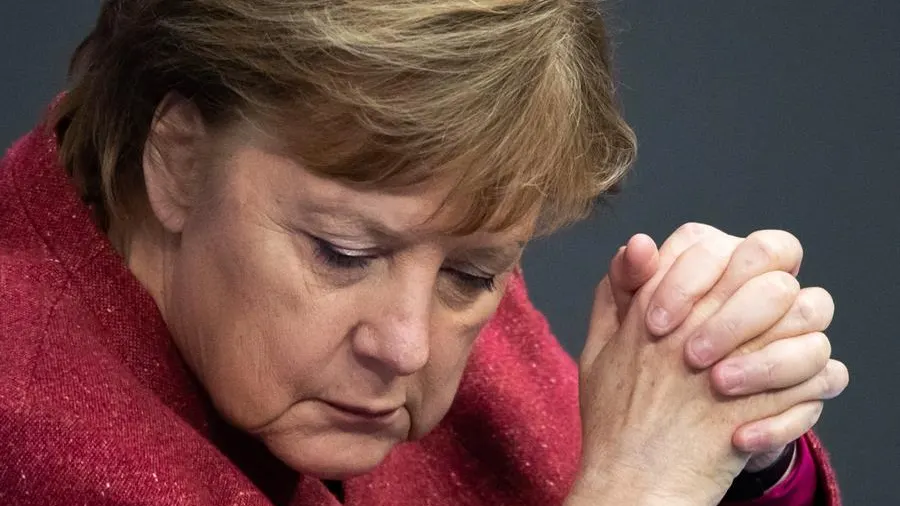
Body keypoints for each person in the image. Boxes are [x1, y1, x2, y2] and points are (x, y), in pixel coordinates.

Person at [0, 1, 848, 505]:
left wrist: (734, 441)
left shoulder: (415, 239)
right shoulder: (23, 419)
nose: (406, 346)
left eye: (474, 275)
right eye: (342, 254)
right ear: (179, 161)